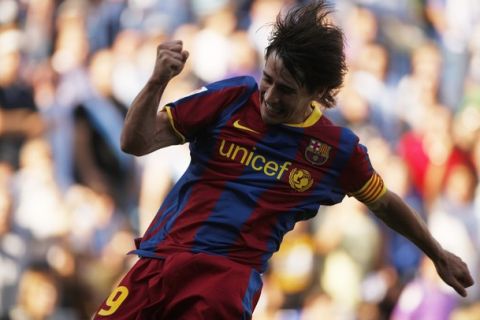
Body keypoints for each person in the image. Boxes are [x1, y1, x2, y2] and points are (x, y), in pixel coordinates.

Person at [93, 1, 474, 319]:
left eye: (286, 89)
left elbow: (385, 203)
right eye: (268, 79)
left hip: (223, 282)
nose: (270, 96)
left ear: (319, 93)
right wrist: (158, 80)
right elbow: (135, 142)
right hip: (159, 261)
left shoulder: (336, 151)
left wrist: (437, 254)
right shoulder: (233, 96)